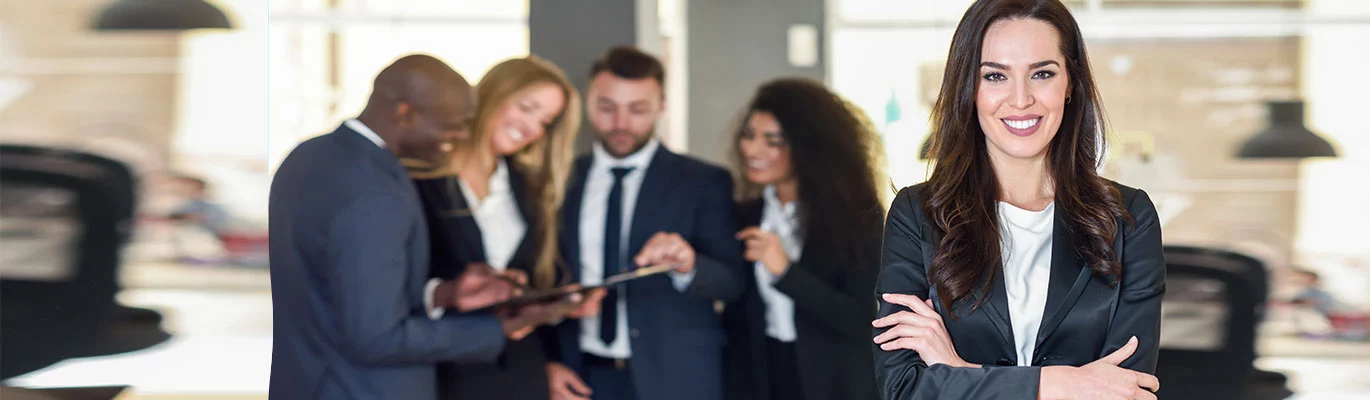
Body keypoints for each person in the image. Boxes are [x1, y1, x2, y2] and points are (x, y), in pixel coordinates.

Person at [871, 1, 1166, 399]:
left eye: (1042, 73)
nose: (1021, 98)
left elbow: (1128, 392)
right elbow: (904, 388)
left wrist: (959, 371)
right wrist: (1059, 384)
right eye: (995, 76)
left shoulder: (1128, 218)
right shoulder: (917, 215)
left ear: (1070, 84)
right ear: (969, 89)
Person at [268, 54, 567, 400]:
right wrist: (497, 330)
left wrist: (445, 294)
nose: (461, 135)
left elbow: (343, 291)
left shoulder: (307, 157)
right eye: (451, 125)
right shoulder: (378, 192)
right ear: (405, 113)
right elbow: (376, 338)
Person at [550, 45, 746, 400]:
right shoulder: (561, 180)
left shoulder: (703, 181)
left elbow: (732, 282)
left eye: (637, 109)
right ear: (588, 101)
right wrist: (546, 363)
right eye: (607, 107)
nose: (621, 123)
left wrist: (688, 265)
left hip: (675, 378)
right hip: (580, 376)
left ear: (661, 105)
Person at [405, 55, 606, 400]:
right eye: (526, 108)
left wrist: (556, 312)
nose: (532, 128)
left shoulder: (529, 191)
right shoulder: (419, 178)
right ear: (493, 94)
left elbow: (526, 294)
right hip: (440, 375)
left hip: (519, 375)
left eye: (544, 121)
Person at [720, 78, 885, 400]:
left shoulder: (858, 218)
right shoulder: (744, 214)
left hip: (833, 384)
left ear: (809, 147)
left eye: (772, 141)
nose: (752, 150)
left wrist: (786, 272)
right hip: (763, 378)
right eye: (749, 136)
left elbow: (860, 319)